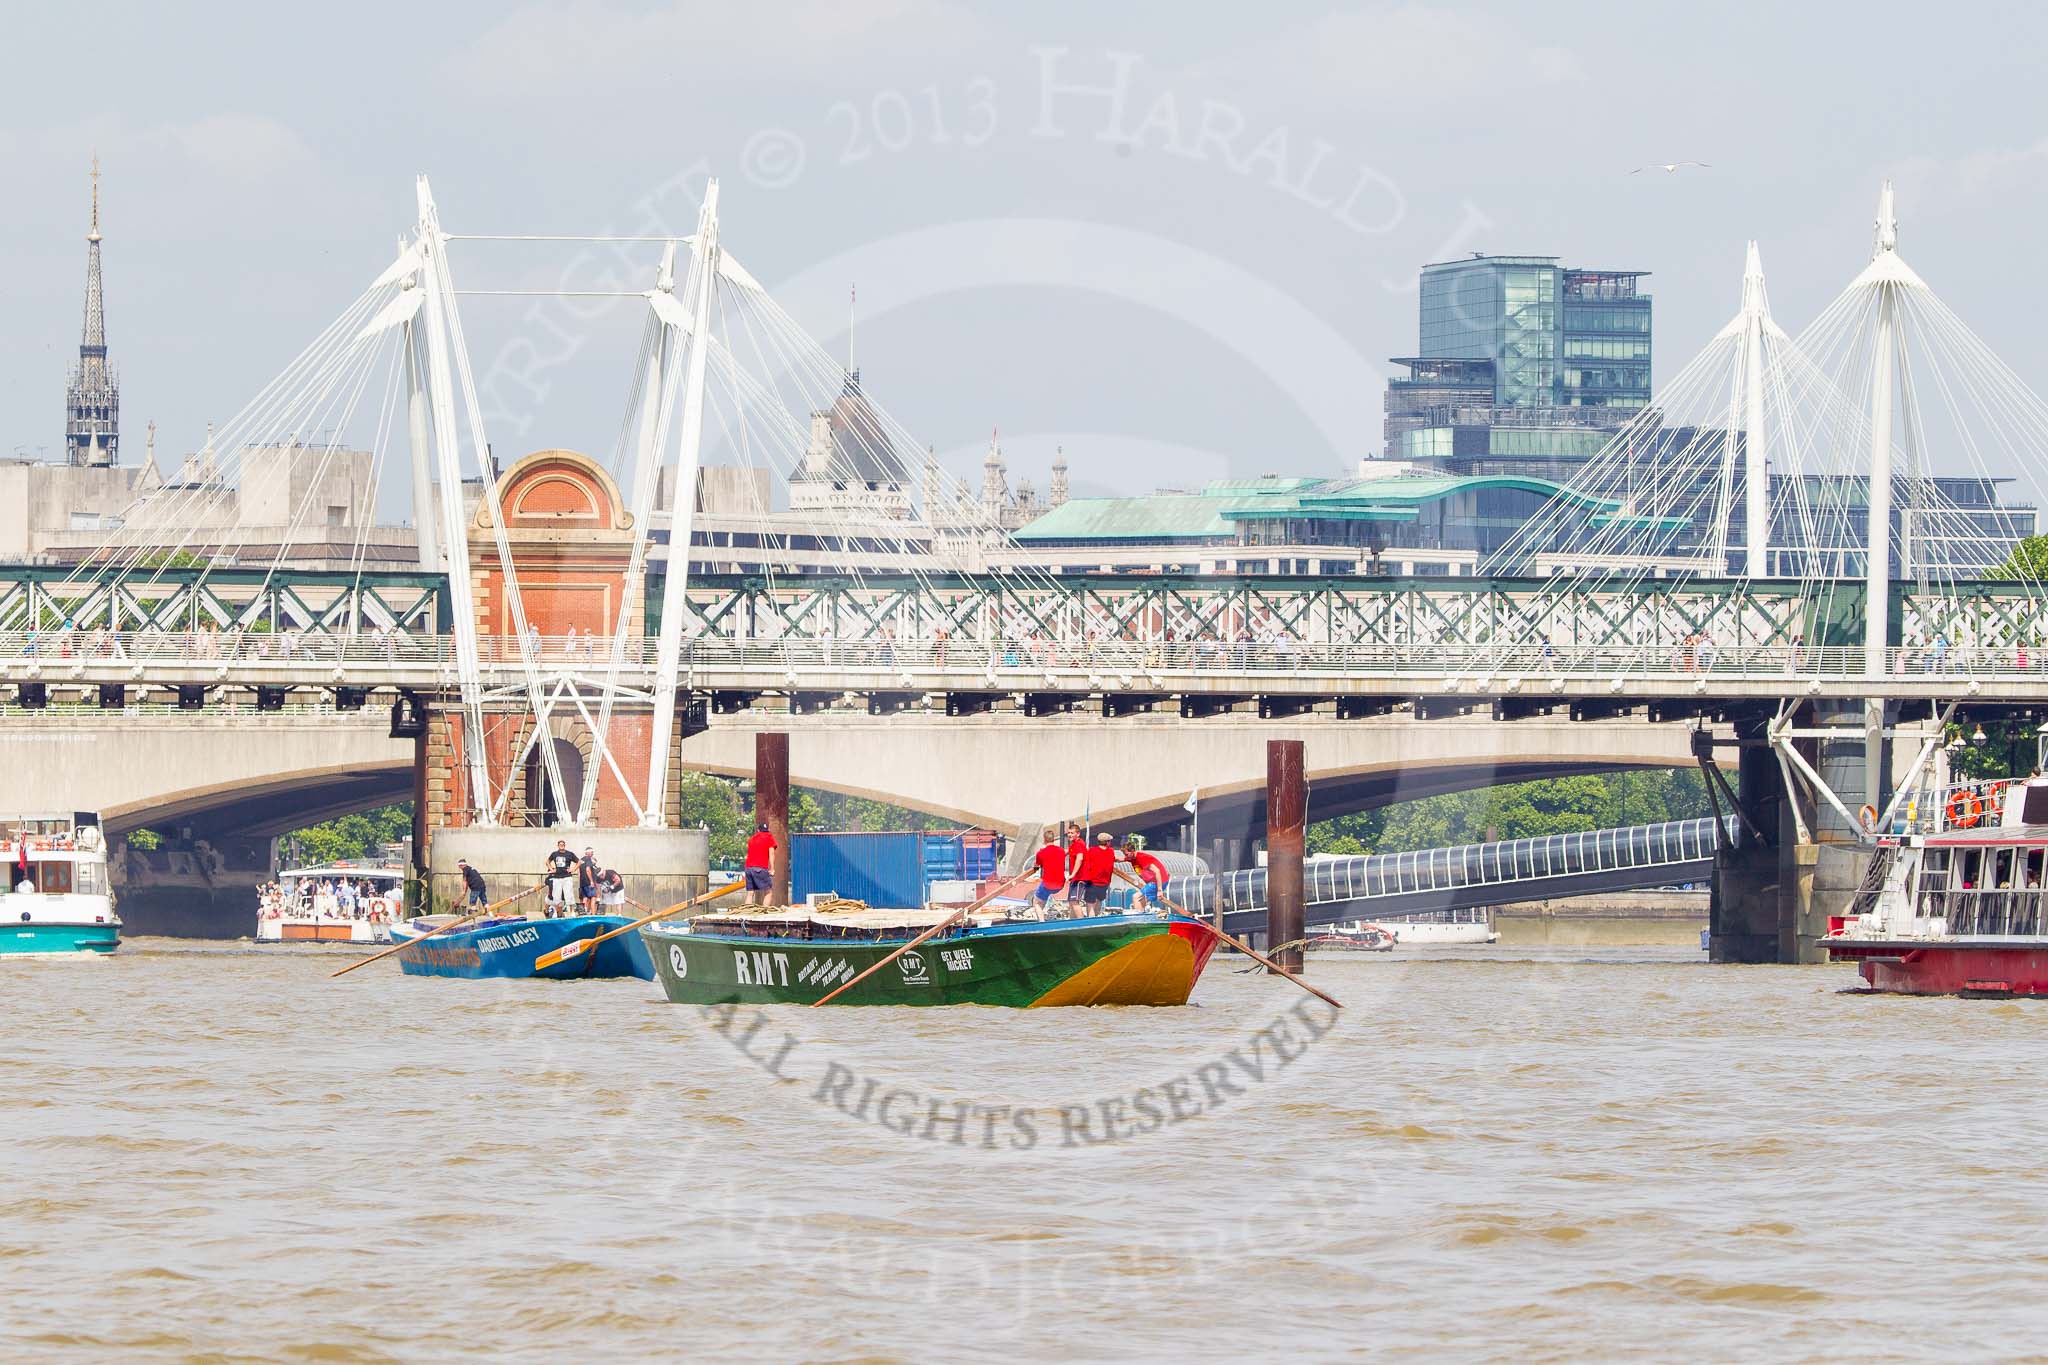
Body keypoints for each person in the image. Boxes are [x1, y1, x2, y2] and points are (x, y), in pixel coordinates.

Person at [1069, 831, 1118, 913]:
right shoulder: (1111, 851)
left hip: (1093, 882)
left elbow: (1084, 860)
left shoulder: (1092, 851)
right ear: (1107, 842)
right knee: (1099, 901)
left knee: (1090, 904)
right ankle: (1096, 919)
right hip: (1105, 882)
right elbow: (1113, 859)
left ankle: (1090, 921)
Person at [1124, 836, 1169, 909]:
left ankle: (1139, 918)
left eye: (1126, 854)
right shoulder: (1132, 858)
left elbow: (1157, 871)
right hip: (1153, 882)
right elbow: (1119, 859)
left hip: (1158, 882)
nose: (1125, 856)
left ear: (1132, 851)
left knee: (1136, 897)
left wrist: (1160, 890)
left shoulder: (1142, 858)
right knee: (1142, 898)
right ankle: (1142, 912)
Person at [1030, 828, 1067, 918]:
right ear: (1053, 839)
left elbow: (1036, 866)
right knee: (1043, 898)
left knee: (1036, 902)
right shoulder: (1061, 851)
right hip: (1060, 884)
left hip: (1048, 884)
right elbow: (1066, 851)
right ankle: (1040, 915)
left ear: (1044, 839)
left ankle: (1041, 922)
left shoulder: (1041, 853)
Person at [742, 821, 777, 907]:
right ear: (767, 830)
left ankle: (746, 913)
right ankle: (764, 913)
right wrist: (772, 869)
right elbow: (771, 853)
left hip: (748, 868)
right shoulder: (769, 837)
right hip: (760, 868)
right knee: (769, 892)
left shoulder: (752, 838)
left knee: (750, 892)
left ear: (758, 830)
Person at [543, 839, 579, 915]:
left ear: (564, 845)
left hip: (567, 877)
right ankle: (556, 912)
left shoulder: (569, 854)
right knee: (556, 896)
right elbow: (547, 862)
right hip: (557, 877)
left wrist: (573, 869)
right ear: (558, 845)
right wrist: (551, 869)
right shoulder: (554, 854)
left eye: (563, 844)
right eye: (560, 844)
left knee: (569, 894)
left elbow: (579, 862)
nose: (562, 845)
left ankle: (572, 912)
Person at [1060, 821, 1087, 913]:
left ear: (1078, 834)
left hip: (1080, 878)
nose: (1070, 835)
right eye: (1068, 833)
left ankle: (1081, 923)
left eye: (1072, 833)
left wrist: (1073, 874)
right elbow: (1065, 852)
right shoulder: (1074, 844)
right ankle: (1072, 922)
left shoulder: (1079, 844)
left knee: (1074, 901)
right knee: (1071, 902)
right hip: (1074, 878)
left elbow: (1080, 859)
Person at [578, 846, 602, 914]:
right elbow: (587, 870)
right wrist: (591, 881)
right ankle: (593, 915)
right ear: (589, 853)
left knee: (585, 898)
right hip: (589, 883)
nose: (593, 853)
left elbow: (579, 872)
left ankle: (584, 913)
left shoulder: (582, 860)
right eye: (592, 852)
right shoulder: (588, 860)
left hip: (583, 883)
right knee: (593, 898)